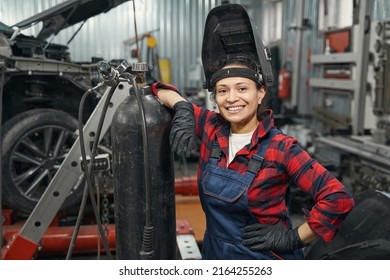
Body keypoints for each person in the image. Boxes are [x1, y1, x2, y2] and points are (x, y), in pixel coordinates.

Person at [151, 4, 355, 260]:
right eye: (223, 90)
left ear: (260, 94)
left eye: (242, 88)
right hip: (217, 254)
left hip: (263, 258)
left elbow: (338, 199)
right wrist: (181, 106)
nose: (232, 98)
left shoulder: (281, 148)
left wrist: (293, 237)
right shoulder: (211, 127)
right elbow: (158, 88)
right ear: (214, 97)